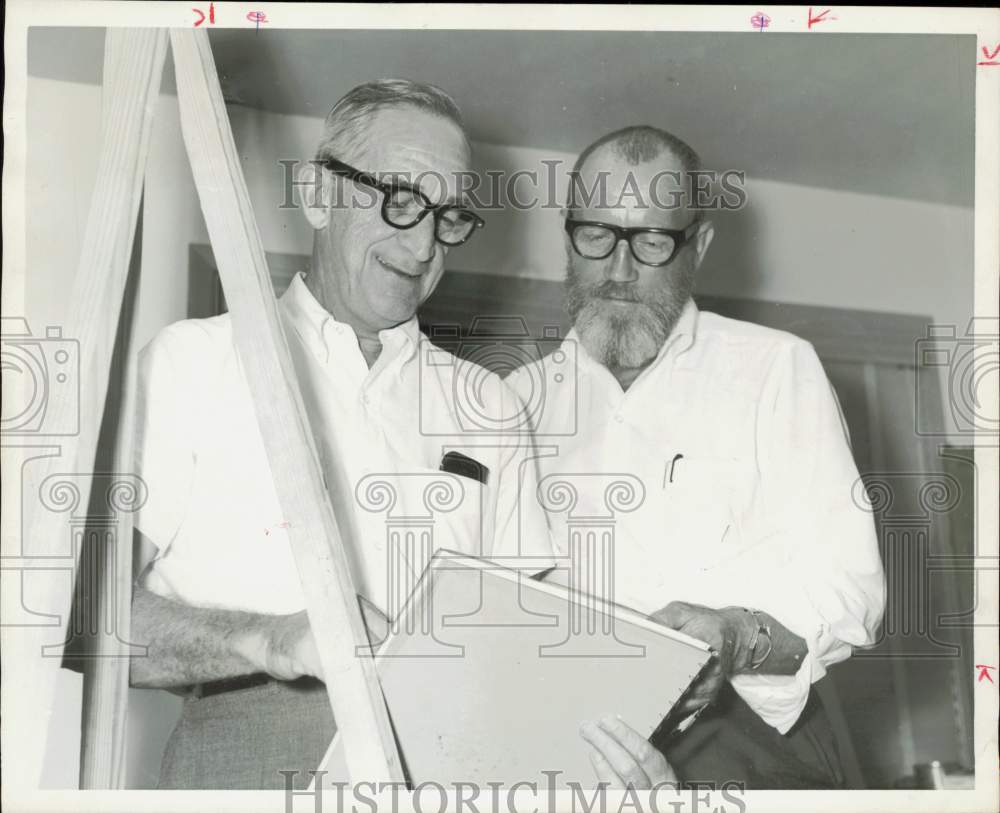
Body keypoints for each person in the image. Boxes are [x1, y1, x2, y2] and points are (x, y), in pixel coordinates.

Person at [130, 81, 672, 791]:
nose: (422, 246)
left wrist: (612, 750)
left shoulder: (489, 405)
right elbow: (90, 620)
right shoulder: (193, 360)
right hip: (248, 757)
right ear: (319, 193)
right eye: (400, 200)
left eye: (447, 218)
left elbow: (521, 652)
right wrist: (272, 639)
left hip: (452, 765)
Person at [508, 125, 886, 789]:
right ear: (566, 234)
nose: (618, 271)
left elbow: (852, 592)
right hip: (564, 754)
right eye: (595, 234)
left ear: (698, 245)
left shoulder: (776, 367)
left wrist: (736, 635)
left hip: (750, 747)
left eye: (652, 240)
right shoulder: (513, 402)